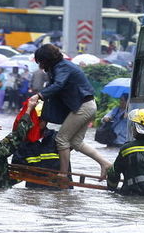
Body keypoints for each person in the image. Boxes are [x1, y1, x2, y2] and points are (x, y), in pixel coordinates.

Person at [28, 43, 112, 178]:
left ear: (47, 60)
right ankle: (105, 163)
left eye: (41, 62)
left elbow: (58, 85)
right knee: (75, 142)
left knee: (61, 139)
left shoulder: (63, 67)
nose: (40, 66)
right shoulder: (56, 69)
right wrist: (44, 117)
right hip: (86, 105)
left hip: (83, 107)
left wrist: (38, 95)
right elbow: (53, 95)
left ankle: (63, 173)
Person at [11, 102, 61, 189]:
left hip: (58, 191)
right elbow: (16, 172)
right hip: (34, 192)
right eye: (37, 119)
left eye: (42, 119)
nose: (40, 122)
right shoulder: (24, 143)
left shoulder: (57, 138)